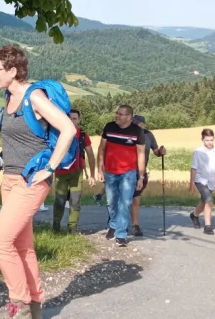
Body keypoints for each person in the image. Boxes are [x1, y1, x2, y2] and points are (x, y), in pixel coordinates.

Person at [0, 45, 77, 319]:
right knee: (21, 245)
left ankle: (20, 304)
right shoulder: (9, 97)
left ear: (13, 70)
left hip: (31, 181)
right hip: (10, 179)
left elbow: (68, 129)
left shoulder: (33, 97)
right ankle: (36, 306)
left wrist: (50, 167)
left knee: (0, 241)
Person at [97, 105, 146, 247]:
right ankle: (113, 224)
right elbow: (102, 148)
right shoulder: (109, 127)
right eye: (116, 113)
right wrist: (100, 169)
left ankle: (121, 234)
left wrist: (141, 176)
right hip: (110, 172)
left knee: (125, 203)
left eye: (121, 114)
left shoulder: (137, 131)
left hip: (128, 173)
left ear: (129, 117)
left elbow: (141, 154)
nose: (117, 116)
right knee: (111, 202)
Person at [52, 109, 96, 233]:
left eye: (74, 118)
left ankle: (72, 228)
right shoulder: (58, 133)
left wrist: (92, 175)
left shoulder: (83, 135)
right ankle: (56, 227)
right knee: (59, 201)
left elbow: (91, 155)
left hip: (77, 173)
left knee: (75, 202)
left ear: (79, 120)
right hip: (61, 173)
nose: (72, 121)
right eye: (69, 118)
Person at [129, 115, 166, 237]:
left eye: (138, 123)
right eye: (134, 123)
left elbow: (156, 151)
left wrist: (161, 152)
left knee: (136, 198)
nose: (136, 125)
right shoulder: (128, 133)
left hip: (140, 171)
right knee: (124, 199)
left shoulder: (148, 135)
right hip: (126, 170)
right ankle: (116, 224)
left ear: (143, 124)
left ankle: (135, 225)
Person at [189, 128, 215, 235]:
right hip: (200, 179)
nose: (209, 142)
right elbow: (193, 168)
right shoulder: (198, 152)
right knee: (209, 199)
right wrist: (192, 184)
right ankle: (208, 226)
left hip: (211, 180)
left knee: (204, 202)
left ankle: (194, 215)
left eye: (211, 140)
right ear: (202, 139)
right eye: (207, 140)